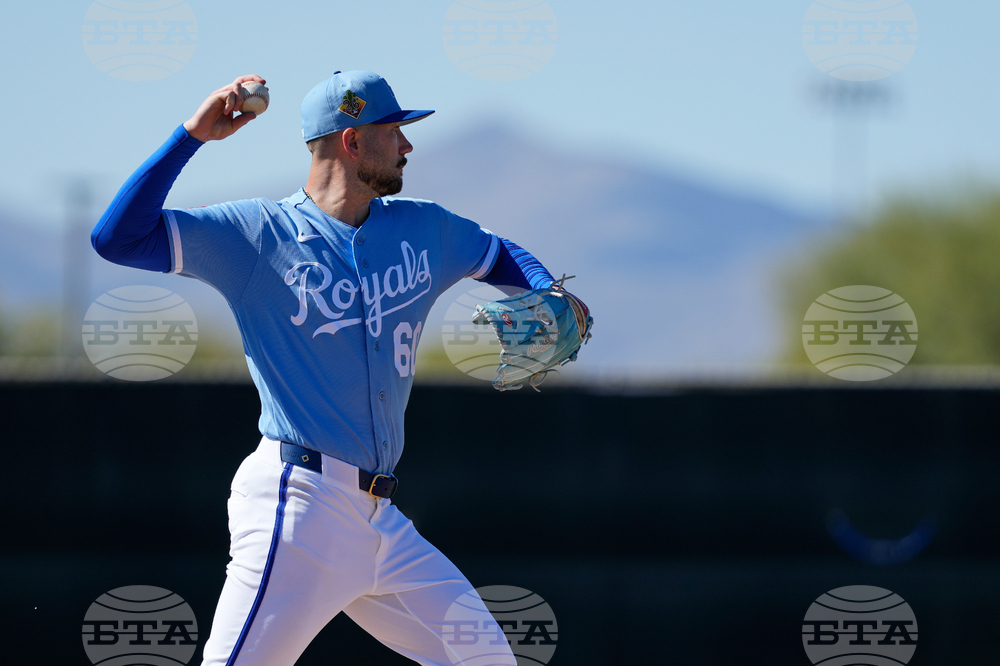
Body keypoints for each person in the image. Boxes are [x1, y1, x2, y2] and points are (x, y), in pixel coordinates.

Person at [91, 71, 573, 665]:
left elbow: (500, 253)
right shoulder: (257, 234)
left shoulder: (422, 228)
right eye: (393, 130)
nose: (407, 145)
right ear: (351, 141)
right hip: (300, 507)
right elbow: (118, 239)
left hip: (383, 521)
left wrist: (547, 290)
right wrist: (191, 138)